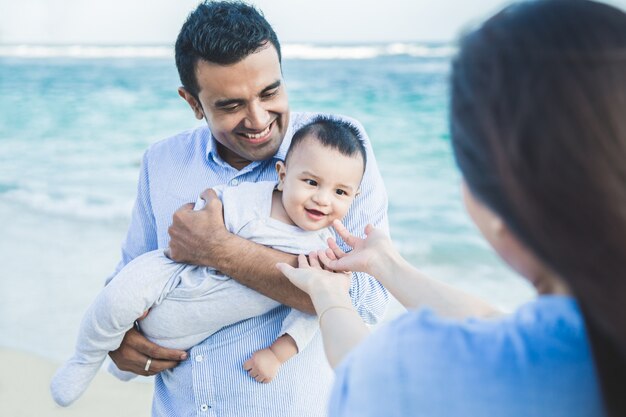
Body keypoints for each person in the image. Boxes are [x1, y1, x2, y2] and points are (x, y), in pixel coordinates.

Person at [278, 1, 626, 416]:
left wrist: (329, 294)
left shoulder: (416, 370)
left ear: (497, 200)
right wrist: (388, 266)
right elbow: (496, 324)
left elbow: (366, 373)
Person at [106, 2, 389, 416]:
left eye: (270, 92)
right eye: (230, 105)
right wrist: (120, 341)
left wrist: (219, 250)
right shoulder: (161, 162)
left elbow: (366, 301)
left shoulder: (338, 153)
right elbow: (130, 274)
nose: (258, 119)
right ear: (193, 102)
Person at [50, 117, 367, 407]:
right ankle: (84, 358)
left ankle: (118, 363)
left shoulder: (323, 252)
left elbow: (312, 313)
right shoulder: (252, 199)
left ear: (354, 198)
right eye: (311, 183)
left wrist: (277, 353)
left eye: (340, 192)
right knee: (121, 295)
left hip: (194, 323)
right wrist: (204, 207)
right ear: (283, 175)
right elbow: (207, 213)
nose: (323, 199)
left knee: (163, 334)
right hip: (177, 276)